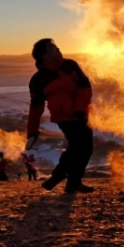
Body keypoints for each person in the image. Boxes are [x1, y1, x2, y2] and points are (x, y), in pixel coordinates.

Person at [26, 38, 94, 193]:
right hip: (64, 118)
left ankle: (67, 180)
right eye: (52, 47)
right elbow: (36, 107)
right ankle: (63, 178)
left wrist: (80, 109)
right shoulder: (38, 79)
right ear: (44, 55)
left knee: (80, 148)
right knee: (81, 147)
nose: (57, 48)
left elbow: (84, 86)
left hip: (81, 114)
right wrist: (32, 131)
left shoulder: (70, 65)